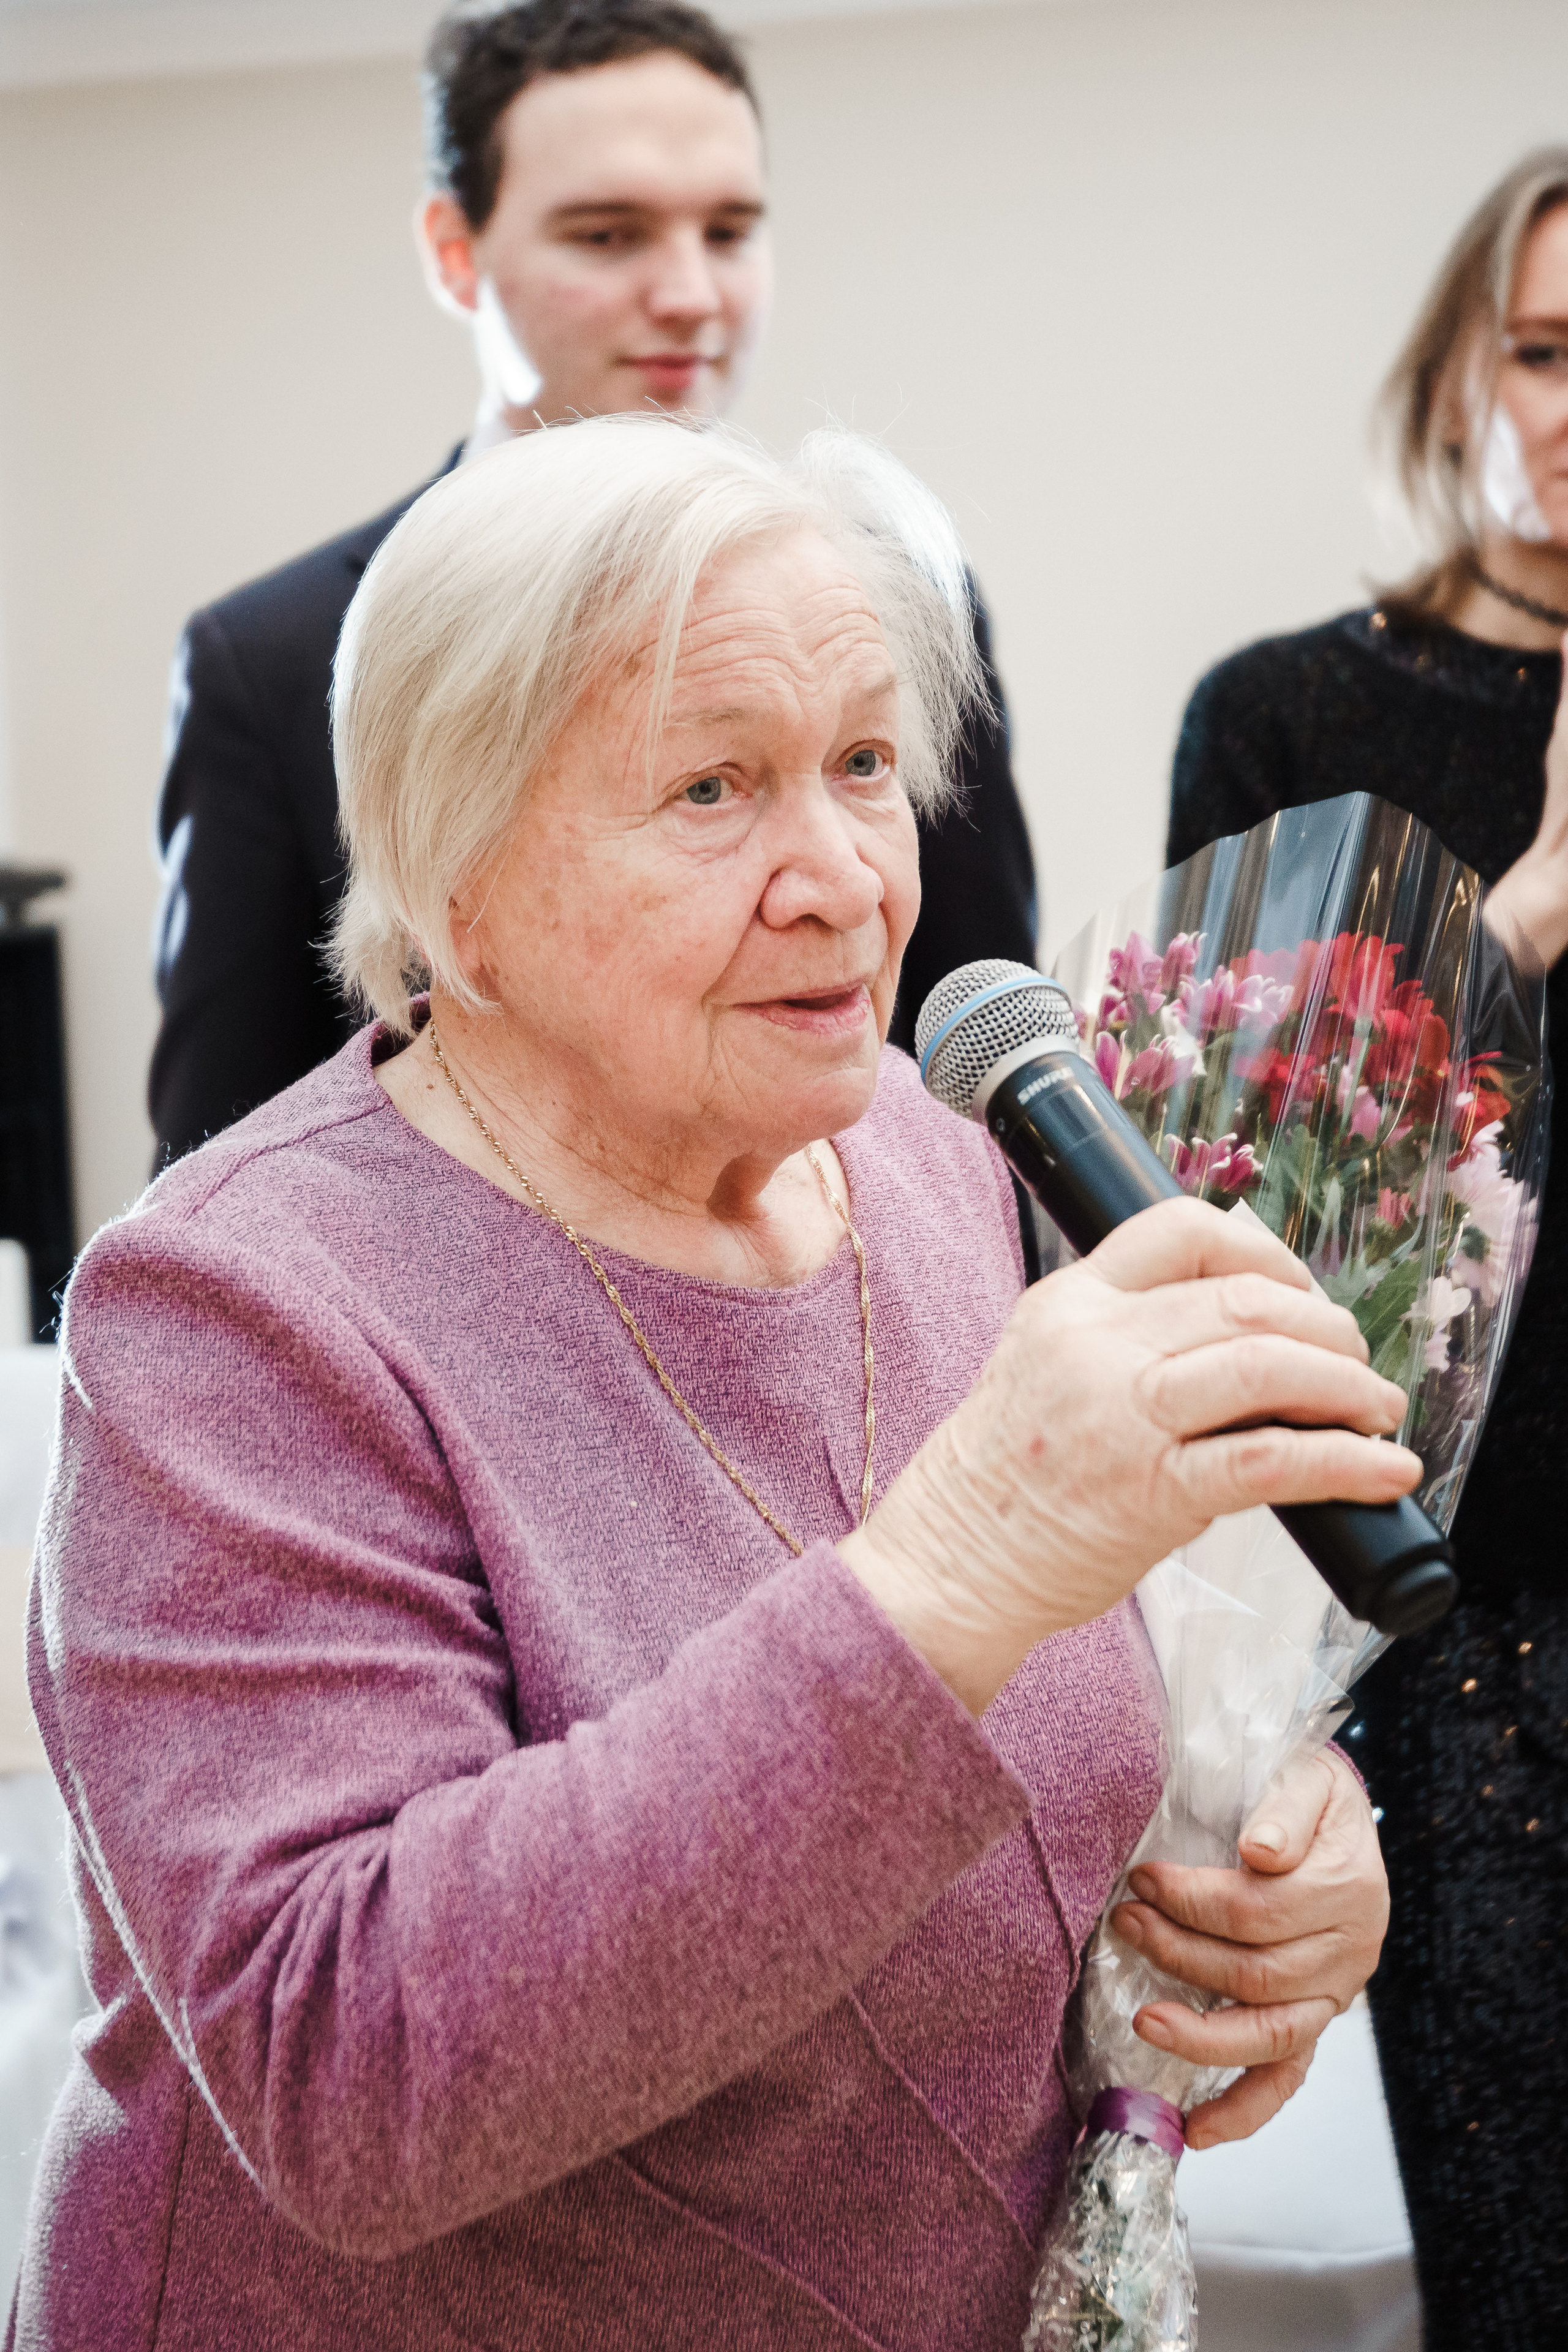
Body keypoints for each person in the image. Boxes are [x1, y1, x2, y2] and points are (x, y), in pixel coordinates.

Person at [15, 419, 1404, 2350]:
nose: (842, 875)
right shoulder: (231, 1312)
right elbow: (348, 2078)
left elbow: (1059, 1717)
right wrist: (972, 1551)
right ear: (456, 877)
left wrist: (1277, 1850)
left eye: (860, 765)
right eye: (710, 788)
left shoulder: (931, 1159)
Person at [148, 0, 1035, 1172]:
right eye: (609, 236)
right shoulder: (274, 657)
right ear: (455, 251)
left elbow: (971, 1055)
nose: (689, 294)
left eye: (728, 231)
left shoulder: (894, 603)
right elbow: (224, 1157)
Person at [1166, 148, 1568, 2348]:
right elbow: (1225, 1188)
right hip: (1451, 1639)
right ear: (1456, 372)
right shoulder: (1288, 716)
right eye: (1544, 345)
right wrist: (1533, 897)